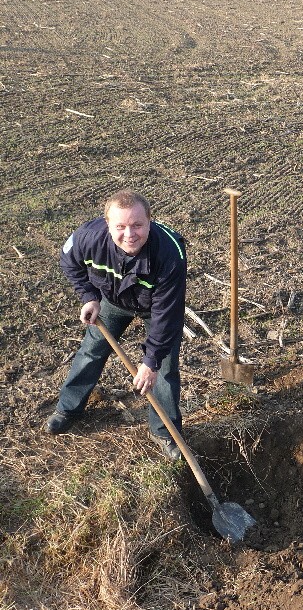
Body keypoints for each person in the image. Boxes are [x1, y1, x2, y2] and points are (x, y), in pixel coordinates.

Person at [46, 190, 187, 461]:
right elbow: (69, 262)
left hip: (155, 308)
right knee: (92, 349)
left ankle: (164, 432)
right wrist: (89, 297)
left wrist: (150, 362)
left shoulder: (169, 252)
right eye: (120, 226)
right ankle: (68, 408)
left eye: (137, 225)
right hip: (112, 301)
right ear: (107, 224)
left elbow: (166, 314)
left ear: (150, 221)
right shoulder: (89, 237)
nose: (129, 234)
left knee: (165, 368)